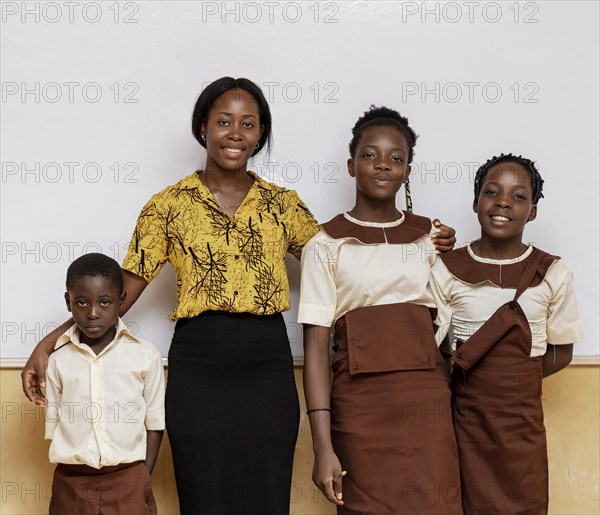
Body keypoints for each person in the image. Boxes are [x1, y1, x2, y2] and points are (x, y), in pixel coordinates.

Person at [22, 78, 457, 514]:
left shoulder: (282, 205)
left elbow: (343, 259)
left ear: (260, 134)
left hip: (266, 368)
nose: (235, 133)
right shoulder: (167, 206)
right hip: (199, 367)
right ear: (203, 129)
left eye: (248, 124)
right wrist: (51, 342)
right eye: (223, 122)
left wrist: (419, 242)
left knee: (265, 498)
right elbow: (122, 290)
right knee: (203, 497)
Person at [299, 106, 463, 514]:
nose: (383, 165)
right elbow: (317, 348)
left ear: (408, 169)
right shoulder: (324, 245)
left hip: (427, 403)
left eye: (396, 157)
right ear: (352, 164)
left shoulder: (430, 238)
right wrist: (323, 447)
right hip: (360, 407)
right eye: (371, 155)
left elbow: (450, 323)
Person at [430, 154, 584, 514]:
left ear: (532, 212)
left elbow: (562, 352)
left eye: (518, 196)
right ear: (475, 203)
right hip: (464, 427)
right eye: (492, 192)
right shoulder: (447, 269)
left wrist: (510, 379)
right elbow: (434, 352)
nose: (503, 202)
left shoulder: (552, 272)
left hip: (522, 432)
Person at [45, 253, 164, 515]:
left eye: (105, 302)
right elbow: (55, 426)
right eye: (82, 302)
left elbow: (155, 424)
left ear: (121, 301)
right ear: (68, 302)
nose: (93, 313)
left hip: (128, 480)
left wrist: (142, 475)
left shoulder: (145, 355)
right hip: (71, 484)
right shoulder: (58, 360)